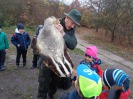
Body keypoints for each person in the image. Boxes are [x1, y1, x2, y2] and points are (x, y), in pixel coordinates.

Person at [37, 9, 81, 99]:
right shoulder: (54, 23)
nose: (73, 26)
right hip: (47, 58)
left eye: (75, 25)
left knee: (56, 80)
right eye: (72, 23)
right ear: (67, 18)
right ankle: (42, 96)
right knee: (43, 80)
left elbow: (73, 45)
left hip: (59, 59)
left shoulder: (71, 29)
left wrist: (63, 34)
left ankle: (51, 94)